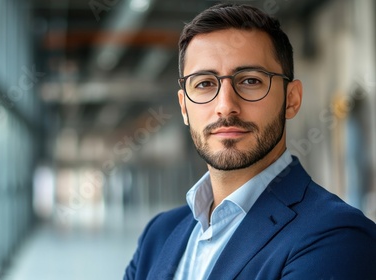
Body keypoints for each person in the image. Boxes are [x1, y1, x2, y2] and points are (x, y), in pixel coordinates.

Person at [124, 3, 376, 280]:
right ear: (184, 107)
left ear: (291, 99)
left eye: (250, 81)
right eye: (205, 83)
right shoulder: (158, 236)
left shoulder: (338, 237)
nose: (225, 106)